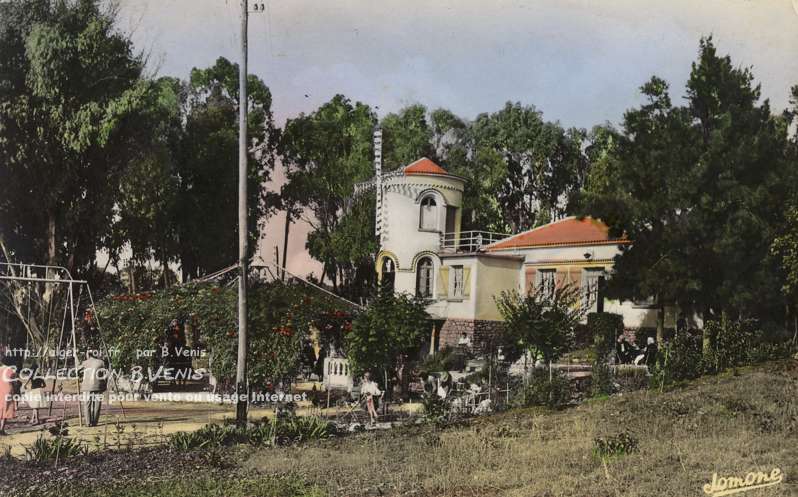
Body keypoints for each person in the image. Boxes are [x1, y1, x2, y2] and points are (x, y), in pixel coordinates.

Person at [79, 350, 107, 427]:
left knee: (87, 404)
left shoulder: (85, 363)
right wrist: (105, 385)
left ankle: (88, 422)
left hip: (87, 387)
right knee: (97, 405)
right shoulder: (101, 362)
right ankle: (94, 422)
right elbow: (105, 375)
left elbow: (77, 370)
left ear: (88, 355)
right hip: (98, 386)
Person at [0, 355, 17, 434]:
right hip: (8, 390)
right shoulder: (11, 371)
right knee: (6, 409)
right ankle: (2, 429)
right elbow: (14, 383)